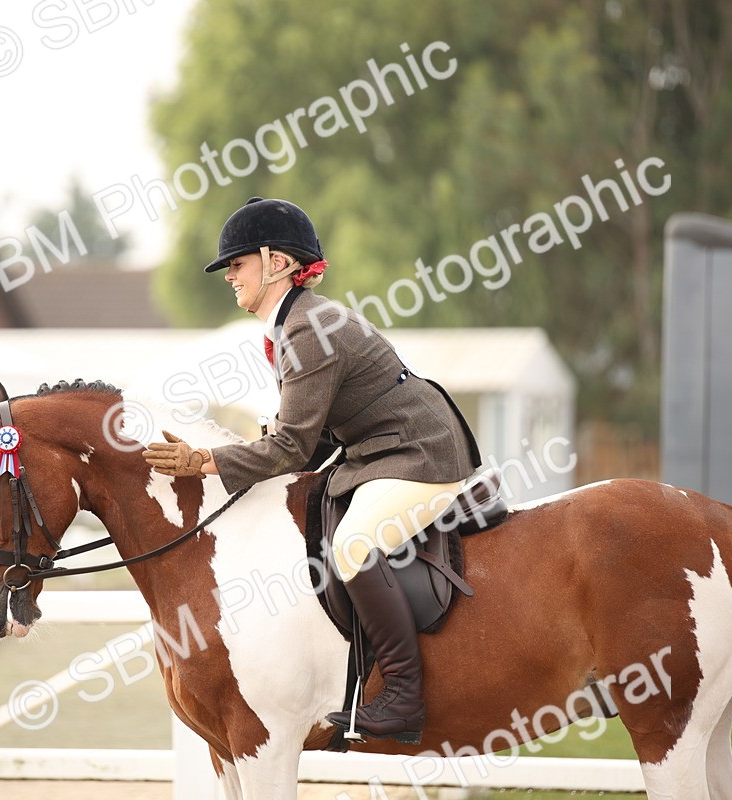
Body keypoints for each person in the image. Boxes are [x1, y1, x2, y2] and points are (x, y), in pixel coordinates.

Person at [143, 197, 482, 744]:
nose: (230, 276)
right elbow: (312, 435)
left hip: (418, 453)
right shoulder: (292, 326)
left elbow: (294, 446)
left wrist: (204, 460)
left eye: (238, 264)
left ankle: (402, 697)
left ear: (276, 261)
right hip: (377, 451)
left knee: (352, 545)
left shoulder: (307, 327)